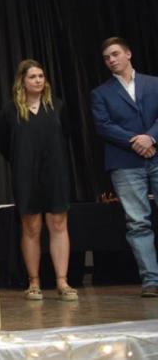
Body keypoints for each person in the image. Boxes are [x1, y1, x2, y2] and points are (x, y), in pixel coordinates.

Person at [0, 59, 77, 301]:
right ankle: (34, 282)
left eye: (41, 76)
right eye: (32, 77)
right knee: (31, 227)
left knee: (59, 224)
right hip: (25, 175)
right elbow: (3, 143)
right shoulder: (11, 111)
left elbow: (67, 136)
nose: (38, 80)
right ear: (22, 81)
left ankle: (62, 281)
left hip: (55, 173)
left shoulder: (58, 106)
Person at [91, 37, 158, 298]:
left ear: (128, 53)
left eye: (115, 54)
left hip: (156, 154)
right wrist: (136, 142)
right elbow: (103, 126)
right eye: (107, 57)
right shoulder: (101, 93)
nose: (111, 60)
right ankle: (151, 280)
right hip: (125, 163)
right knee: (138, 222)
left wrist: (150, 137)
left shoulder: (153, 83)